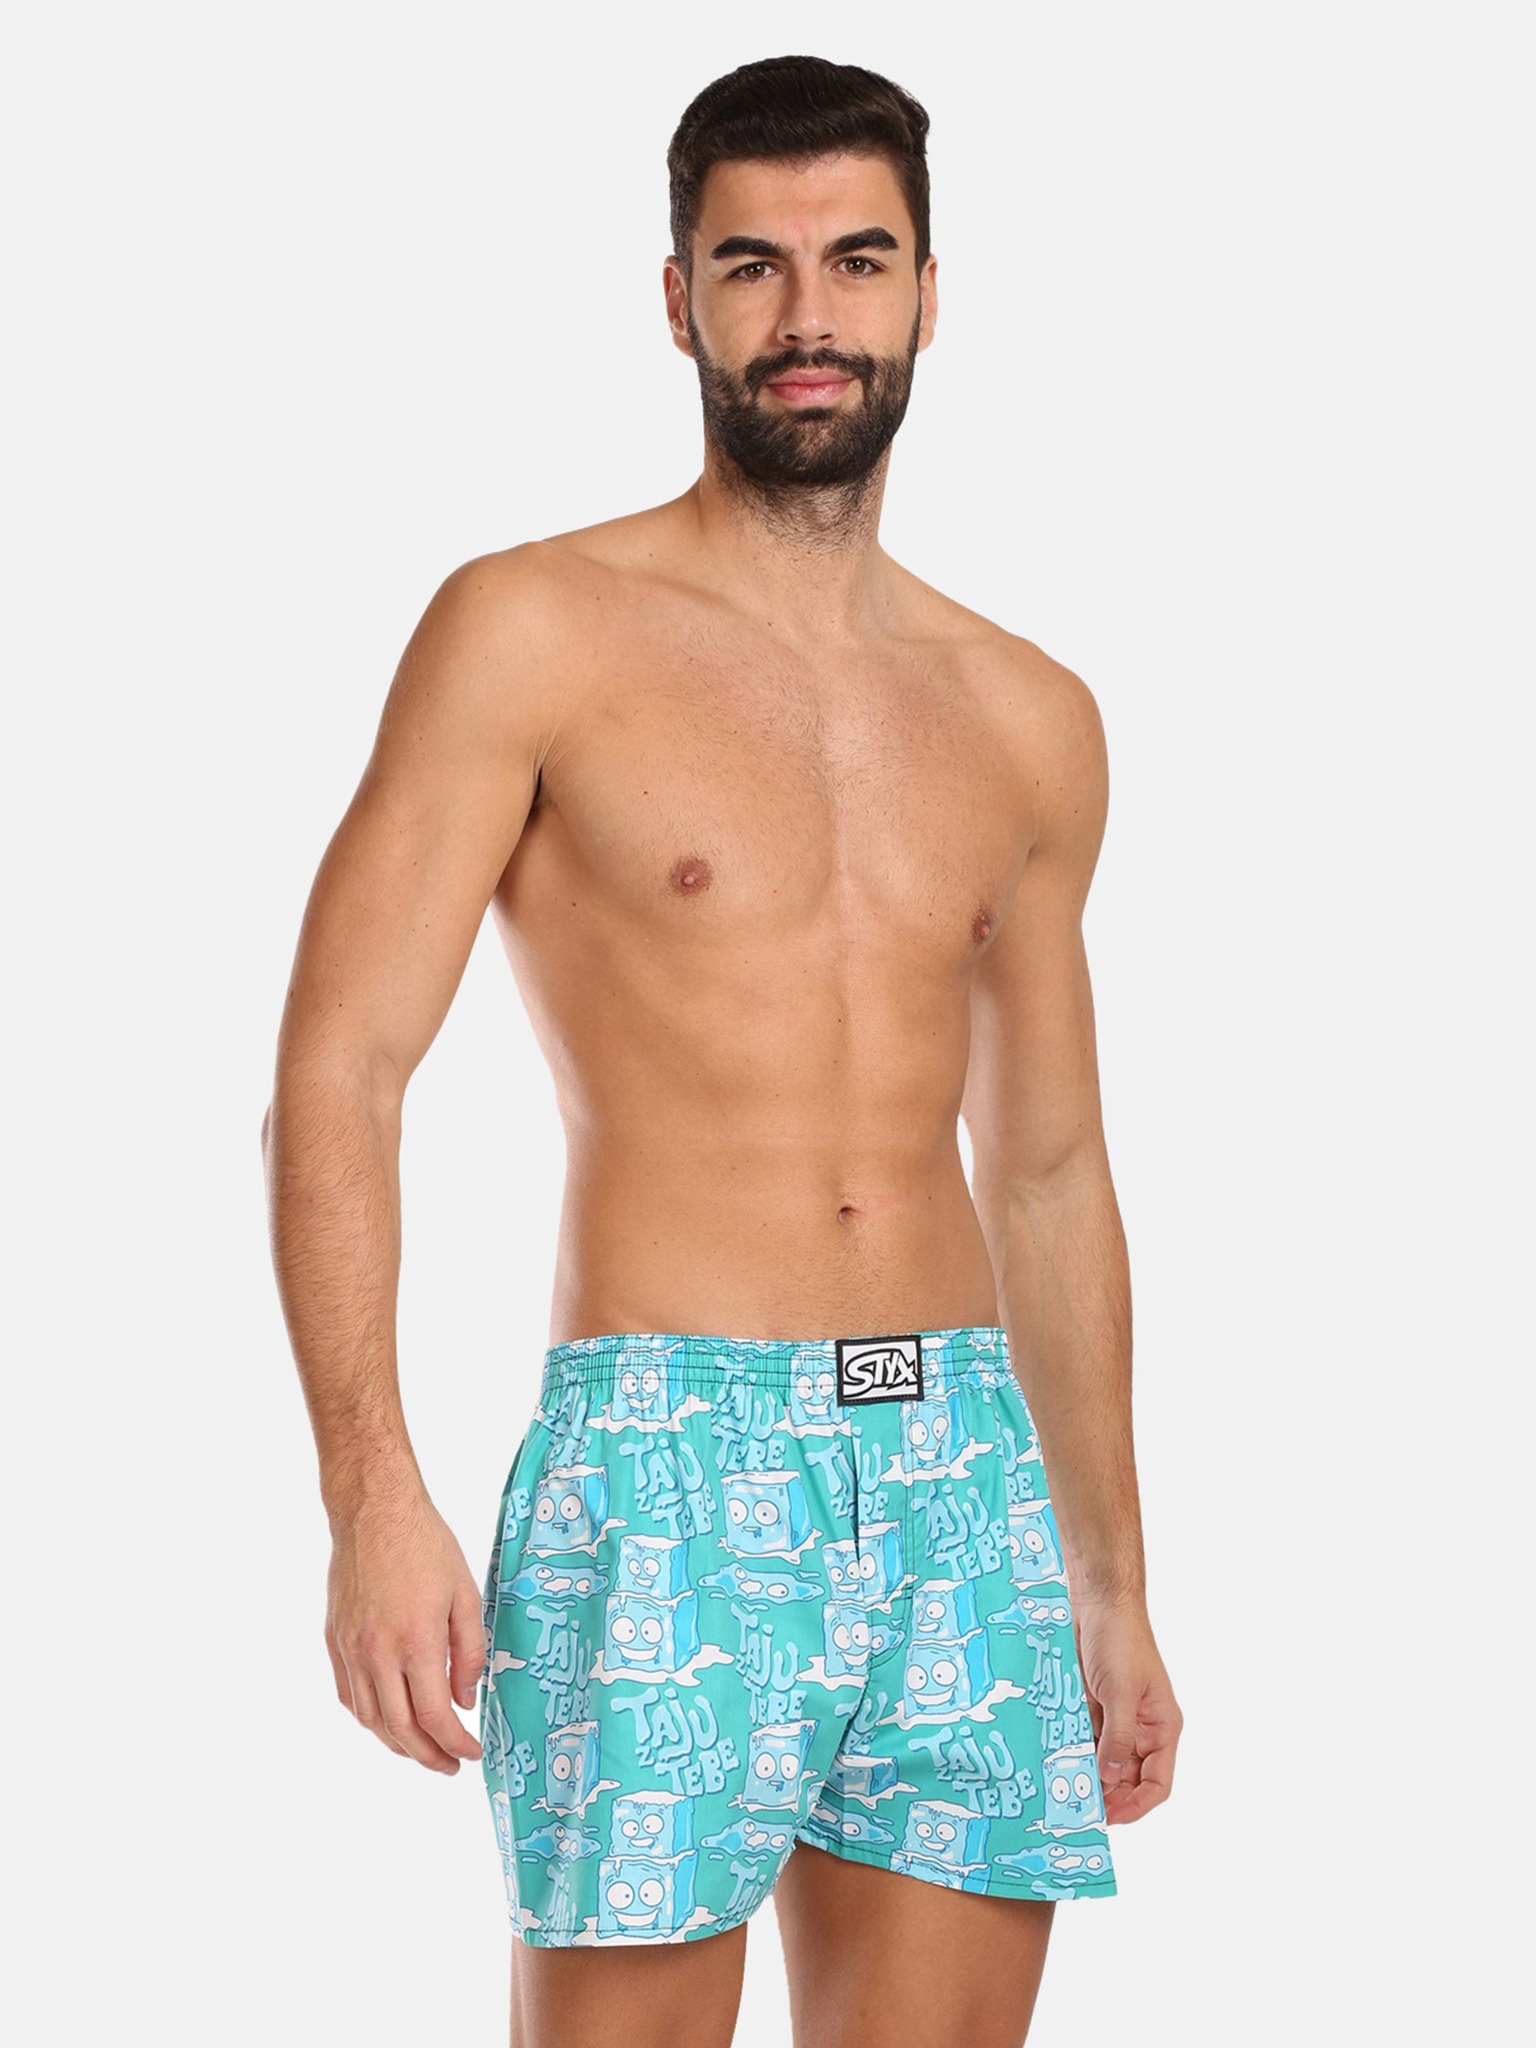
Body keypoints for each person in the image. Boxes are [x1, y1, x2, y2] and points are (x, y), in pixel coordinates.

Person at [262, 52, 1181, 2048]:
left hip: (958, 1465)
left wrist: (1112, 1574)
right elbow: (340, 1067)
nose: (807, 315)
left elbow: (1046, 1169)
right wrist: (372, 1493)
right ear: (679, 300)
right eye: (753, 266)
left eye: (858, 260)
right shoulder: (531, 630)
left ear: (930, 290)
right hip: (665, 1457)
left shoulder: (1030, 714)